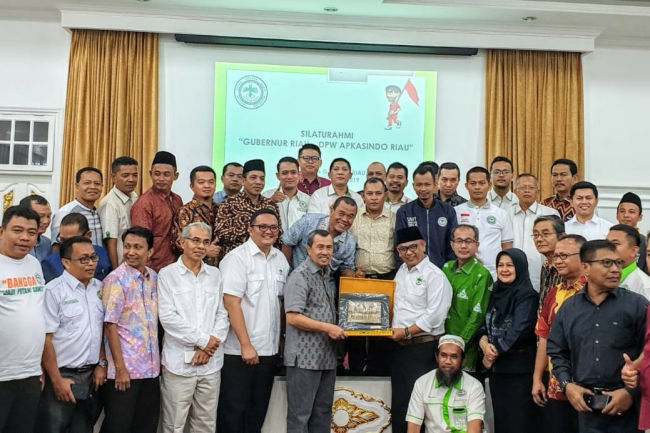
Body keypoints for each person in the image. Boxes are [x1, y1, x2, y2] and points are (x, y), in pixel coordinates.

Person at [548, 240, 648, 432]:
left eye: (618, 263)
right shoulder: (569, 309)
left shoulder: (638, 306)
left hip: (627, 410)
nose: (615, 269)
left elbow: (649, 354)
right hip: (584, 409)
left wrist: (630, 392)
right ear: (586, 267)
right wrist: (568, 386)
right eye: (607, 263)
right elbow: (557, 352)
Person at [217, 210, 290, 433]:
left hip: (269, 350)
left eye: (273, 228)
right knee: (233, 413)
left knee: (257, 413)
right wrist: (246, 345)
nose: (269, 232)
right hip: (239, 351)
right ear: (250, 229)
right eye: (262, 227)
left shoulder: (280, 259)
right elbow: (231, 303)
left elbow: (282, 304)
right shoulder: (237, 259)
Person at [158, 222, 229, 433]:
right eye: (195, 240)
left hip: (210, 363)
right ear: (182, 242)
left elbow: (222, 313)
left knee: (206, 424)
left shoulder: (215, 274)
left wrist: (209, 347)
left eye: (206, 242)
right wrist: (204, 341)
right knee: (174, 424)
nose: (201, 246)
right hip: (179, 364)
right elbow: (168, 318)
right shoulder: (167, 274)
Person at [36, 236, 106, 433]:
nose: (91, 263)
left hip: (91, 377)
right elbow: (46, 340)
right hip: (61, 374)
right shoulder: (53, 291)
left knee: (84, 428)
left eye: (93, 257)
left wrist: (102, 364)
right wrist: (57, 380)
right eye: (83, 259)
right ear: (66, 263)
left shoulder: (100, 288)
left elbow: (100, 330)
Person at [390, 227, 453, 433]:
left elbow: (435, 316)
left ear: (423, 245)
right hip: (400, 349)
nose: (409, 252)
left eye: (413, 247)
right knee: (401, 406)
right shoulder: (401, 272)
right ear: (398, 251)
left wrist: (407, 332)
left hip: (423, 350)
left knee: (422, 408)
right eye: (403, 249)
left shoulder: (434, 275)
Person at [284, 230, 346, 433]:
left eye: (329, 247)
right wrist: (328, 328)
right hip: (304, 358)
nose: (325, 252)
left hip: (326, 357)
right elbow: (293, 317)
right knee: (300, 417)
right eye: (320, 247)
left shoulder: (326, 275)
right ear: (308, 249)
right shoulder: (299, 276)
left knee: (322, 414)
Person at [101, 227, 160, 433]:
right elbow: (110, 325)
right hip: (126, 371)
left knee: (146, 426)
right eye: (127, 246)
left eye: (137, 247)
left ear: (150, 252)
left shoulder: (153, 277)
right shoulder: (116, 279)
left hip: (151, 369)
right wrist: (120, 369)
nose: (131, 252)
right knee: (119, 426)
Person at [477, 248, 538, 433]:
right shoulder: (496, 291)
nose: (504, 269)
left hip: (519, 372)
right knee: (501, 422)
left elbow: (520, 331)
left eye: (510, 265)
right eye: (500, 265)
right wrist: (483, 344)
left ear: (520, 267)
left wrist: (492, 352)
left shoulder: (528, 296)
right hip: (498, 371)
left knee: (518, 423)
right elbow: (484, 323)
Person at [532, 234, 586, 433]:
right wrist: (537, 378)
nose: (559, 261)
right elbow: (544, 338)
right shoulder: (554, 293)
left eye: (564, 256)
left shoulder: (594, 291)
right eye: (556, 256)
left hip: (587, 383)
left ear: (583, 258)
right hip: (556, 384)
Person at [0, 206, 45, 433]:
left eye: (31, 232)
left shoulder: (33, 264)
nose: (25, 238)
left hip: (29, 374)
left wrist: (39, 368)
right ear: (1, 232)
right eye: (17, 230)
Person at [348, 178, 396, 376]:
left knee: (381, 333)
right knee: (356, 333)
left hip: (386, 279)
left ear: (386, 195)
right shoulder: (354, 218)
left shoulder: (394, 218)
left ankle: (378, 374)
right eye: (370, 194)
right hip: (359, 280)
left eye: (378, 193)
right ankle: (356, 373)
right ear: (363, 196)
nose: (374, 198)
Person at [406, 335, 486, 433]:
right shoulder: (422, 383)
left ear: (463, 361)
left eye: (454, 356)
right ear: (437, 358)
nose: (448, 361)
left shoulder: (474, 386)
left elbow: (474, 429)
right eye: (443, 355)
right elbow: (413, 428)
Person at [442, 224, 493, 372]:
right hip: (442, 343)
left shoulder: (482, 275)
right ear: (452, 244)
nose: (463, 246)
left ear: (477, 245)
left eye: (468, 241)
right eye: (459, 241)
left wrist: (459, 344)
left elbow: (477, 317)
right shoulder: (446, 268)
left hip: (465, 347)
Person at [215, 159, 282, 259]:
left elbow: (278, 234)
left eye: (262, 178)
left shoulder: (270, 205)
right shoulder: (229, 204)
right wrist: (255, 229)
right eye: (253, 178)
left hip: (265, 258)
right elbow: (220, 234)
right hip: (236, 259)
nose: (258, 182)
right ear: (243, 180)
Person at [455, 167, 514, 279]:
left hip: (493, 273)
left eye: (482, 183)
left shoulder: (501, 214)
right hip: (463, 271)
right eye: (473, 183)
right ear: (466, 186)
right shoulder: (456, 212)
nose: (477, 187)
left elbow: (507, 247)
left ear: (489, 185)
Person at [395, 164, 458, 269]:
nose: (423, 189)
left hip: (441, 270)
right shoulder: (404, 212)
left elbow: (452, 245)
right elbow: (400, 246)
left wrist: (448, 269)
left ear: (435, 185)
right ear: (413, 186)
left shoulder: (448, 211)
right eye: (419, 185)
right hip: (413, 270)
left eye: (427, 184)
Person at [130, 151, 183, 272]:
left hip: (176, 267)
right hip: (154, 269)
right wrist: (147, 272)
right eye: (157, 174)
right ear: (150, 174)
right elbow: (140, 242)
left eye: (166, 174)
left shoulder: (177, 200)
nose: (161, 179)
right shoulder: (144, 203)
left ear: (176, 176)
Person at [282, 196, 358, 278]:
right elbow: (287, 242)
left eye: (350, 216)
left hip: (325, 283)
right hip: (297, 278)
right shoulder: (309, 221)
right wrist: (287, 274)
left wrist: (354, 275)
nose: (345, 219)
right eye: (341, 214)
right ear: (332, 210)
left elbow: (346, 267)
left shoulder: (350, 242)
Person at [509, 173, 559, 291]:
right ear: (515, 191)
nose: (527, 191)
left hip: (542, 272)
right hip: (511, 271)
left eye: (531, 187)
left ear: (537, 191)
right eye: (522, 187)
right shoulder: (506, 214)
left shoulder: (550, 214)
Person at [41, 213, 112, 283]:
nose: (66, 245)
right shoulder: (51, 264)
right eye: (62, 240)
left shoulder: (102, 255)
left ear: (88, 235)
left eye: (72, 240)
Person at [171, 165, 220, 266]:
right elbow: (178, 243)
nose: (207, 186)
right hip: (192, 267)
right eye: (201, 182)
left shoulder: (221, 209)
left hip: (219, 267)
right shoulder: (185, 211)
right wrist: (205, 250)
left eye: (211, 182)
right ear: (192, 186)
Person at [98, 156, 139, 269]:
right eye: (125, 175)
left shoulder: (134, 196)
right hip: (120, 267)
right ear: (113, 177)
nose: (131, 179)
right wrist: (116, 273)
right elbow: (111, 243)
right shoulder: (110, 204)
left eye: (135, 175)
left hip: (133, 265)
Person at [51, 167, 104, 247]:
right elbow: (56, 246)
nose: (93, 187)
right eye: (87, 183)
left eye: (97, 183)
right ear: (77, 186)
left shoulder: (99, 213)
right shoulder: (65, 213)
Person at [263, 156, 310, 232]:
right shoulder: (267, 196)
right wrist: (270, 202)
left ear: (299, 175)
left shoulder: (308, 200)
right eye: (284, 173)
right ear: (278, 176)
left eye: (293, 172)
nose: (289, 177)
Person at [532, 215, 566, 315]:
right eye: (535, 235)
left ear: (562, 236)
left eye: (545, 234)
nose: (539, 239)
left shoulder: (568, 267)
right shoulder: (545, 265)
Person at [607, 224, 650, 299]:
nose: (607, 247)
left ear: (634, 251)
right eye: (606, 243)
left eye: (615, 243)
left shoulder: (644, 287)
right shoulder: (598, 277)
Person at [617, 192, 648, 274]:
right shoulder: (609, 240)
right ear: (617, 215)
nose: (626, 215)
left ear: (640, 217)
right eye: (622, 211)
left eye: (631, 212)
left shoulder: (645, 242)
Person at [19, 194, 52, 262]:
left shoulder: (48, 244)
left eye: (48, 216)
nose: (46, 221)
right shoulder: (10, 242)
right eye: (41, 216)